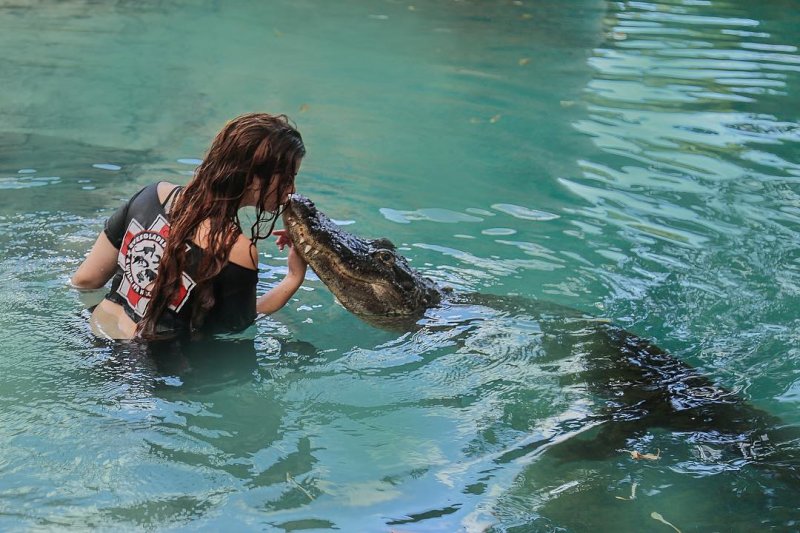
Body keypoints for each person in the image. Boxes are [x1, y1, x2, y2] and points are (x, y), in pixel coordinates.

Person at [71, 113, 308, 340]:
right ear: (253, 178)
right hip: (146, 368)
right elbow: (233, 330)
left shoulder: (151, 195)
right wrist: (293, 277)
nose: (292, 189)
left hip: (91, 335)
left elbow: (85, 280)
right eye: (288, 178)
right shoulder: (236, 251)